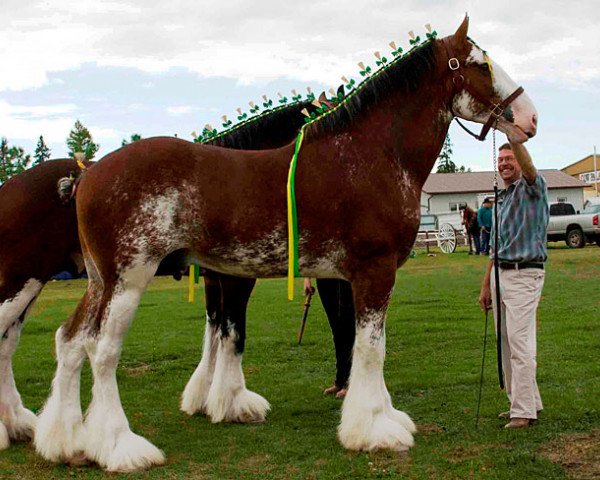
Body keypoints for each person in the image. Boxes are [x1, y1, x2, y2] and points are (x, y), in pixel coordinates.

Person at [478, 141, 549, 429]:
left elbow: (529, 168)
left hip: (525, 274)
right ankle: (524, 401)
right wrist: (486, 286)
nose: (504, 163)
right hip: (501, 274)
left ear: (519, 161)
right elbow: (495, 248)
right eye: (501, 159)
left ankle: (523, 412)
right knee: (506, 342)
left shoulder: (533, 188)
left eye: (509, 158)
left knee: (520, 343)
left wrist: (513, 135)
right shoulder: (501, 200)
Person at [304, 278, 355, 398]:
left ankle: (350, 381)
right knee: (336, 330)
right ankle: (340, 381)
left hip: (344, 275)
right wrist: (307, 278)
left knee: (348, 327)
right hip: (324, 276)